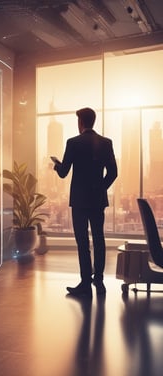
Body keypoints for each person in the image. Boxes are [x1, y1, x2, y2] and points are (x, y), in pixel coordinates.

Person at [52, 107, 117, 297]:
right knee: (99, 239)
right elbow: (113, 173)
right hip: (97, 200)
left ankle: (85, 283)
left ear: (81, 123)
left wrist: (57, 166)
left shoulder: (73, 143)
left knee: (82, 242)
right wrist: (100, 188)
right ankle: (99, 280)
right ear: (93, 122)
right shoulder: (106, 143)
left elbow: (64, 173)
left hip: (79, 201)